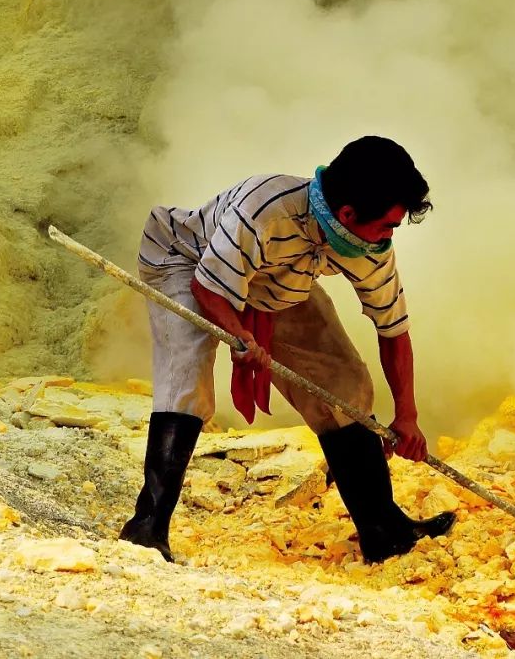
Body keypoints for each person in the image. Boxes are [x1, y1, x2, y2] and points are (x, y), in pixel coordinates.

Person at [119, 135, 455, 563]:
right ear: (347, 215)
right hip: (189, 262)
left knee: (345, 385)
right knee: (187, 382)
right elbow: (209, 288)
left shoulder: (367, 245)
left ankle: (384, 531)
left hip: (276, 282)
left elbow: (393, 330)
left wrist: (407, 415)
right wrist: (241, 337)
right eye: (387, 225)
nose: (389, 235)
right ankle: (147, 529)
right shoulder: (264, 211)